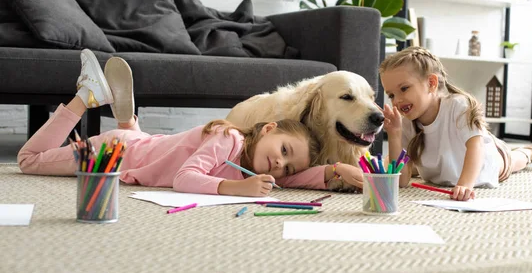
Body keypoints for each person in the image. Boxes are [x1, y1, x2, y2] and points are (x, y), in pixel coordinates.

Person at [18, 49, 363, 197]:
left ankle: (127, 123)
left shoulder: (253, 164)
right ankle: (87, 96)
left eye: (287, 167)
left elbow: (292, 180)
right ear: (269, 128)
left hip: (143, 150)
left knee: (149, 148)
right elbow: (185, 179)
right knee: (29, 161)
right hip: (115, 152)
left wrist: (334, 172)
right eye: (284, 151)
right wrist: (235, 189)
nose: (280, 164)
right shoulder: (229, 139)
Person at [379, 46, 532, 201]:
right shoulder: (407, 122)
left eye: (404, 88)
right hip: (445, 166)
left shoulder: (458, 105)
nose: (397, 100)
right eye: (391, 95)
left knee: (512, 161)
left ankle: (528, 153)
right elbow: (401, 182)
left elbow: (476, 147)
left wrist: (465, 184)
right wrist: (394, 135)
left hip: (485, 159)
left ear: (431, 83)